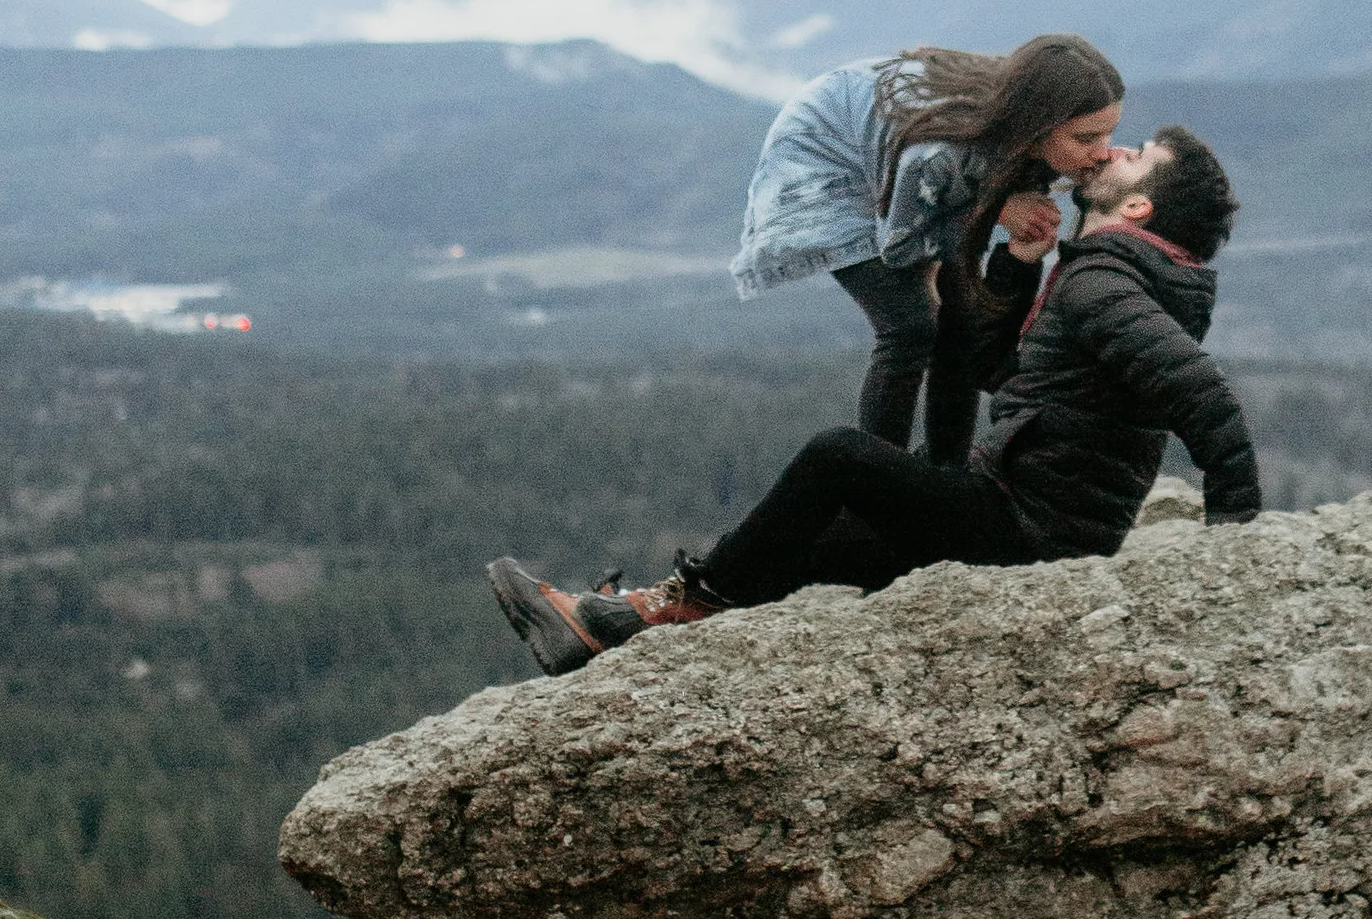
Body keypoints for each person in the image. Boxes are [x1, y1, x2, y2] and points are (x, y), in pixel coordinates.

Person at [489, 125, 1257, 670]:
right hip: (1020, 510)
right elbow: (999, 371)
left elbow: (1206, 398)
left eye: (1135, 157)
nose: (1113, 151)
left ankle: (667, 607)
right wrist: (1020, 264)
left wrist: (1235, 548)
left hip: (1028, 530)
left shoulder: (1106, 284)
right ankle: (615, 630)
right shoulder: (1111, 277)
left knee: (838, 458)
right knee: (824, 538)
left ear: (1137, 208)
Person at [728, 36, 1125, 462]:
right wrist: (995, 210)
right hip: (825, 159)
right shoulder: (939, 155)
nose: (1101, 151)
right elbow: (900, 246)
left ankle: (945, 469)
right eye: (1086, 138)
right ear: (1036, 126)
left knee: (961, 320)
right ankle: (879, 478)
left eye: (1108, 134)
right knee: (910, 327)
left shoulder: (1023, 132)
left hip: (904, 161)